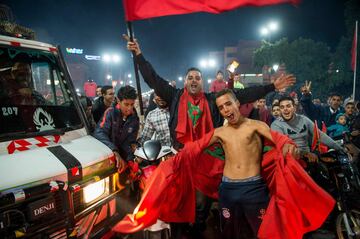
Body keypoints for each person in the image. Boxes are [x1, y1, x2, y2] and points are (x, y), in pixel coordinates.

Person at [125, 36, 296, 234]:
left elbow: (242, 95)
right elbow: (152, 78)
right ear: (185, 81)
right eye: (190, 78)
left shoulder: (213, 99)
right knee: (175, 202)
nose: (194, 80)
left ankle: (197, 231)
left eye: (198, 77)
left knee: (201, 205)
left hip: (207, 161)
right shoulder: (175, 96)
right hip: (180, 157)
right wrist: (138, 55)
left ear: (203, 82)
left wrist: (272, 87)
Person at [271, 96, 343, 162]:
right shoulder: (276, 125)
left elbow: (320, 135)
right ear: (280, 110)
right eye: (282, 107)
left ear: (294, 108)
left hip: (310, 159)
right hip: (289, 161)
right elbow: (284, 147)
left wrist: (340, 148)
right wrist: (304, 154)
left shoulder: (304, 119)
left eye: (288, 106)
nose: (285, 109)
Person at [94, 85, 139, 172]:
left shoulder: (134, 118)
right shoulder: (110, 113)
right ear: (118, 101)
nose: (129, 108)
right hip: (108, 158)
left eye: (132, 104)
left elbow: (130, 141)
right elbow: (99, 132)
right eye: (126, 104)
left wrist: (130, 160)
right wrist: (114, 151)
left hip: (123, 161)